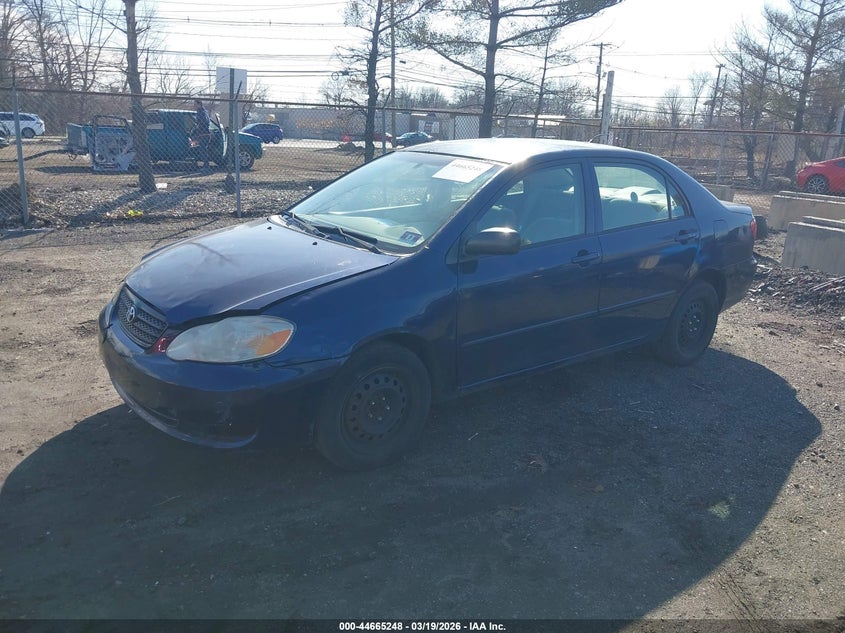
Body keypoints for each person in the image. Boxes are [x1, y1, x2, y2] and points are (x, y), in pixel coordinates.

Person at [190, 98, 211, 170]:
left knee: (203, 150)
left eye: (195, 104)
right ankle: (206, 166)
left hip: (204, 134)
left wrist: (197, 125)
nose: (194, 106)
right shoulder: (203, 111)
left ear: (199, 104)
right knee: (202, 150)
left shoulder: (201, 112)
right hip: (204, 134)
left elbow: (203, 122)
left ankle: (206, 166)